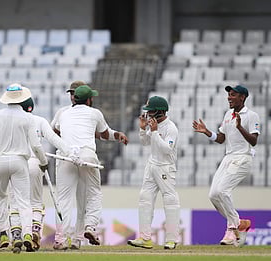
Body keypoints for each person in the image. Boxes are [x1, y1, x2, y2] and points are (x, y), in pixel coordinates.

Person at [53, 85, 128, 250]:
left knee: (63, 200)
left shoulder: (63, 113)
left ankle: (61, 239)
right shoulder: (94, 113)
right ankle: (90, 227)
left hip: (65, 155)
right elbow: (104, 133)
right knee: (93, 194)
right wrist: (118, 136)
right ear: (89, 100)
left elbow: (54, 131)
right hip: (87, 155)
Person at [0, 83, 48, 253]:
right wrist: (42, 160)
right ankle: (26, 234)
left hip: (0, 160)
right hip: (19, 161)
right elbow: (36, 144)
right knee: (24, 201)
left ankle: (3, 233)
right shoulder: (28, 118)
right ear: (22, 98)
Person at [192, 85, 259, 247]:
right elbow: (221, 139)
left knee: (222, 190)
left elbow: (254, 141)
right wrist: (207, 132)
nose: (229, 98)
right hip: (228, 157)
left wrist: (240, 127)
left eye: (233, 95)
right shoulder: (228, 114)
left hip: (243, 157)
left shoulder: (252, 115)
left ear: (242, 97)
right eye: (228, 95)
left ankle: (232, 227)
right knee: (214, 194)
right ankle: (239, 223)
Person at [8, 97, 70, 250]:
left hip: (16, 163)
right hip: (35, 163)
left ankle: (17, 235)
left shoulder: (10, 121)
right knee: (35, 202)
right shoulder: (40, 120)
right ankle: (35, 229)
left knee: (16, 202)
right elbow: (53, 138)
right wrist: (69, 152)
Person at [127, 96, 180, 250]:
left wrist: (155, 132)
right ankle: (145, 238)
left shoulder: (171, 128)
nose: (148, 114)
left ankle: (172, 239)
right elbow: (145, 143)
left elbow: (167, 149)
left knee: (170, 201)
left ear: (160, 111)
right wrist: (143, 128)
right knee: (145, 199)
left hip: (165, 167)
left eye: (151, 111)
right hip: (152, 165)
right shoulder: (153, 124)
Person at [50, 80, 86, 249]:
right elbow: (51, 132)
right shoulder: (62, 112)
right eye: (71, 93)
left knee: (82, 200)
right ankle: (61, 238)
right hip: (65, 158)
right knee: (64, 200)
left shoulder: (90, 113)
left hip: (82, 158)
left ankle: (78, 238)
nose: (73, 96)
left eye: (75, 93)